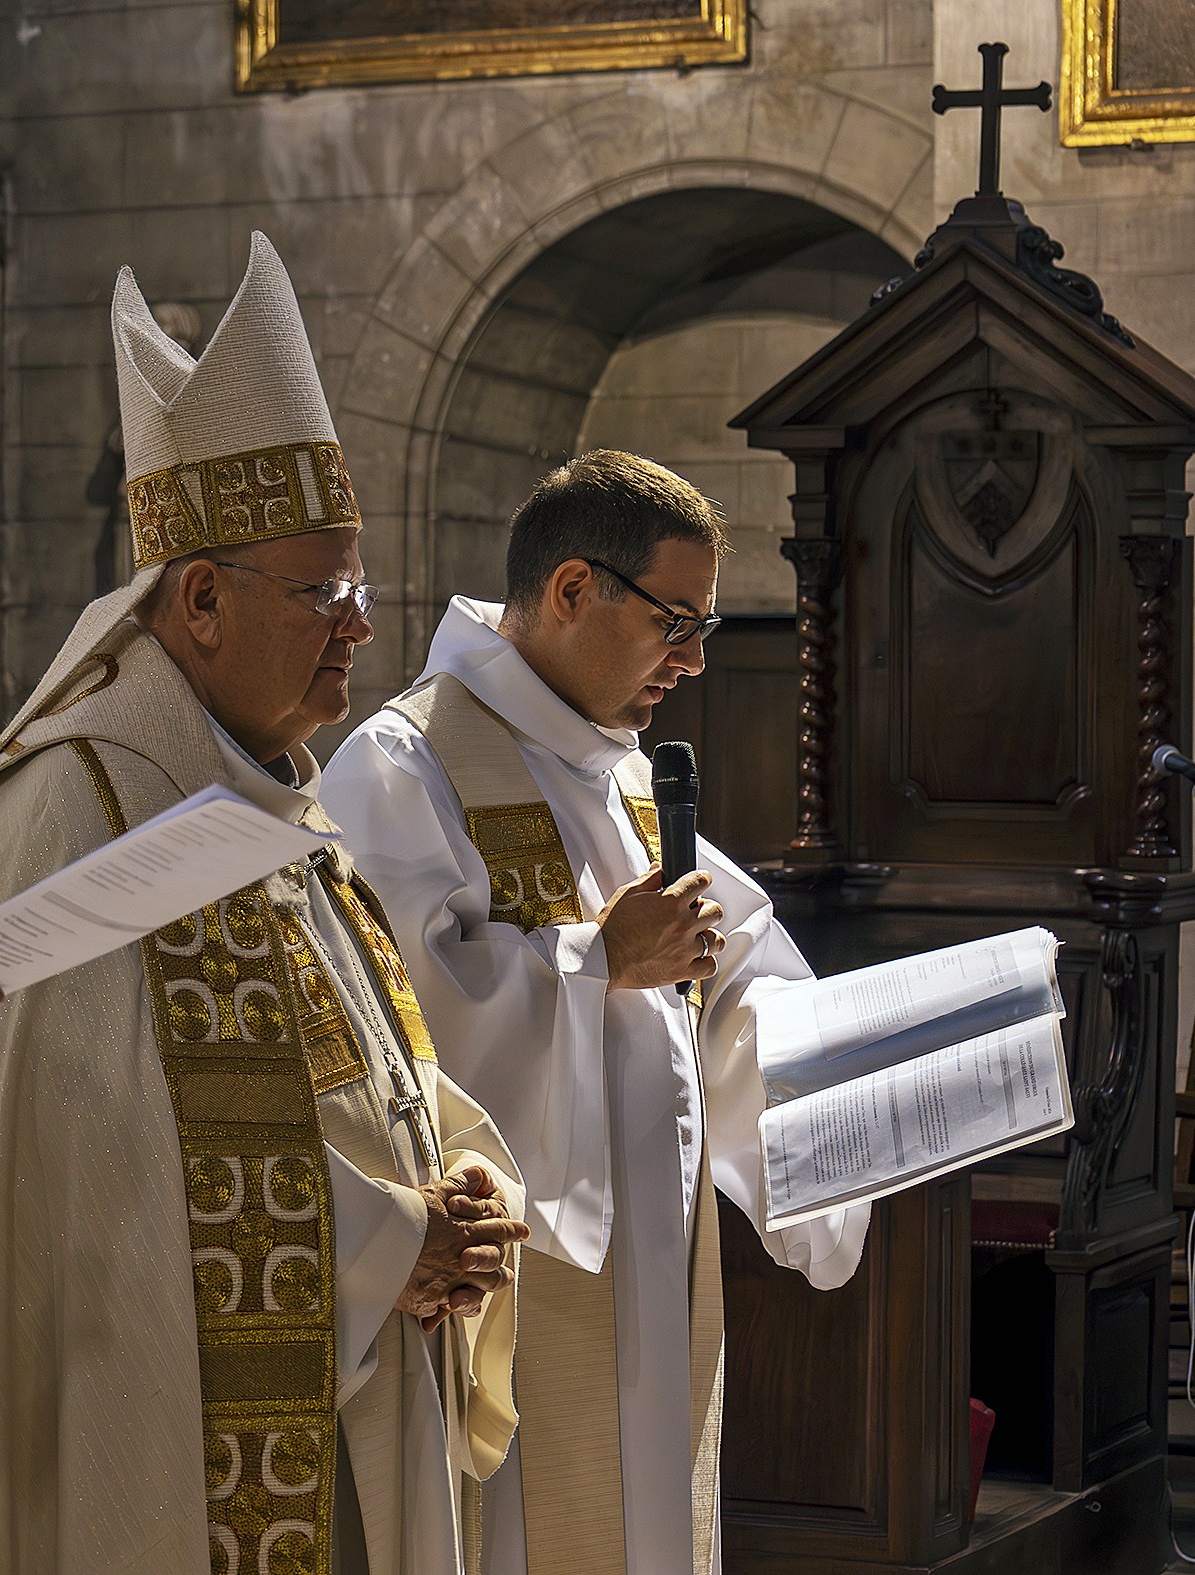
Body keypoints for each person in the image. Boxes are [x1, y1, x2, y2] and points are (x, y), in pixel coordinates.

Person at [0, 233, 529, 1575]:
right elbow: (90, 1179)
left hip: (351, 1384)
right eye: (321, 591)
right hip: (141, 1452)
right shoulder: (69, 813)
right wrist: (388, 1236)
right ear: (202, 596)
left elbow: (366, 1056)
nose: (355, 624)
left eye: (361, 588)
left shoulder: (279, 799)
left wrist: (454, 1170)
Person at [319, 451, 873, 1574]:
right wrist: (590, 961)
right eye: (678, 621)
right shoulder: (404, 762)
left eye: (704, 629)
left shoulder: (618, 774)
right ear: (572, 590)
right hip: (506, 1285)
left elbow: (733, 970)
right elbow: (387, 1029)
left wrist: (848, 1074)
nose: (694, 662)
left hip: (650, 1278)